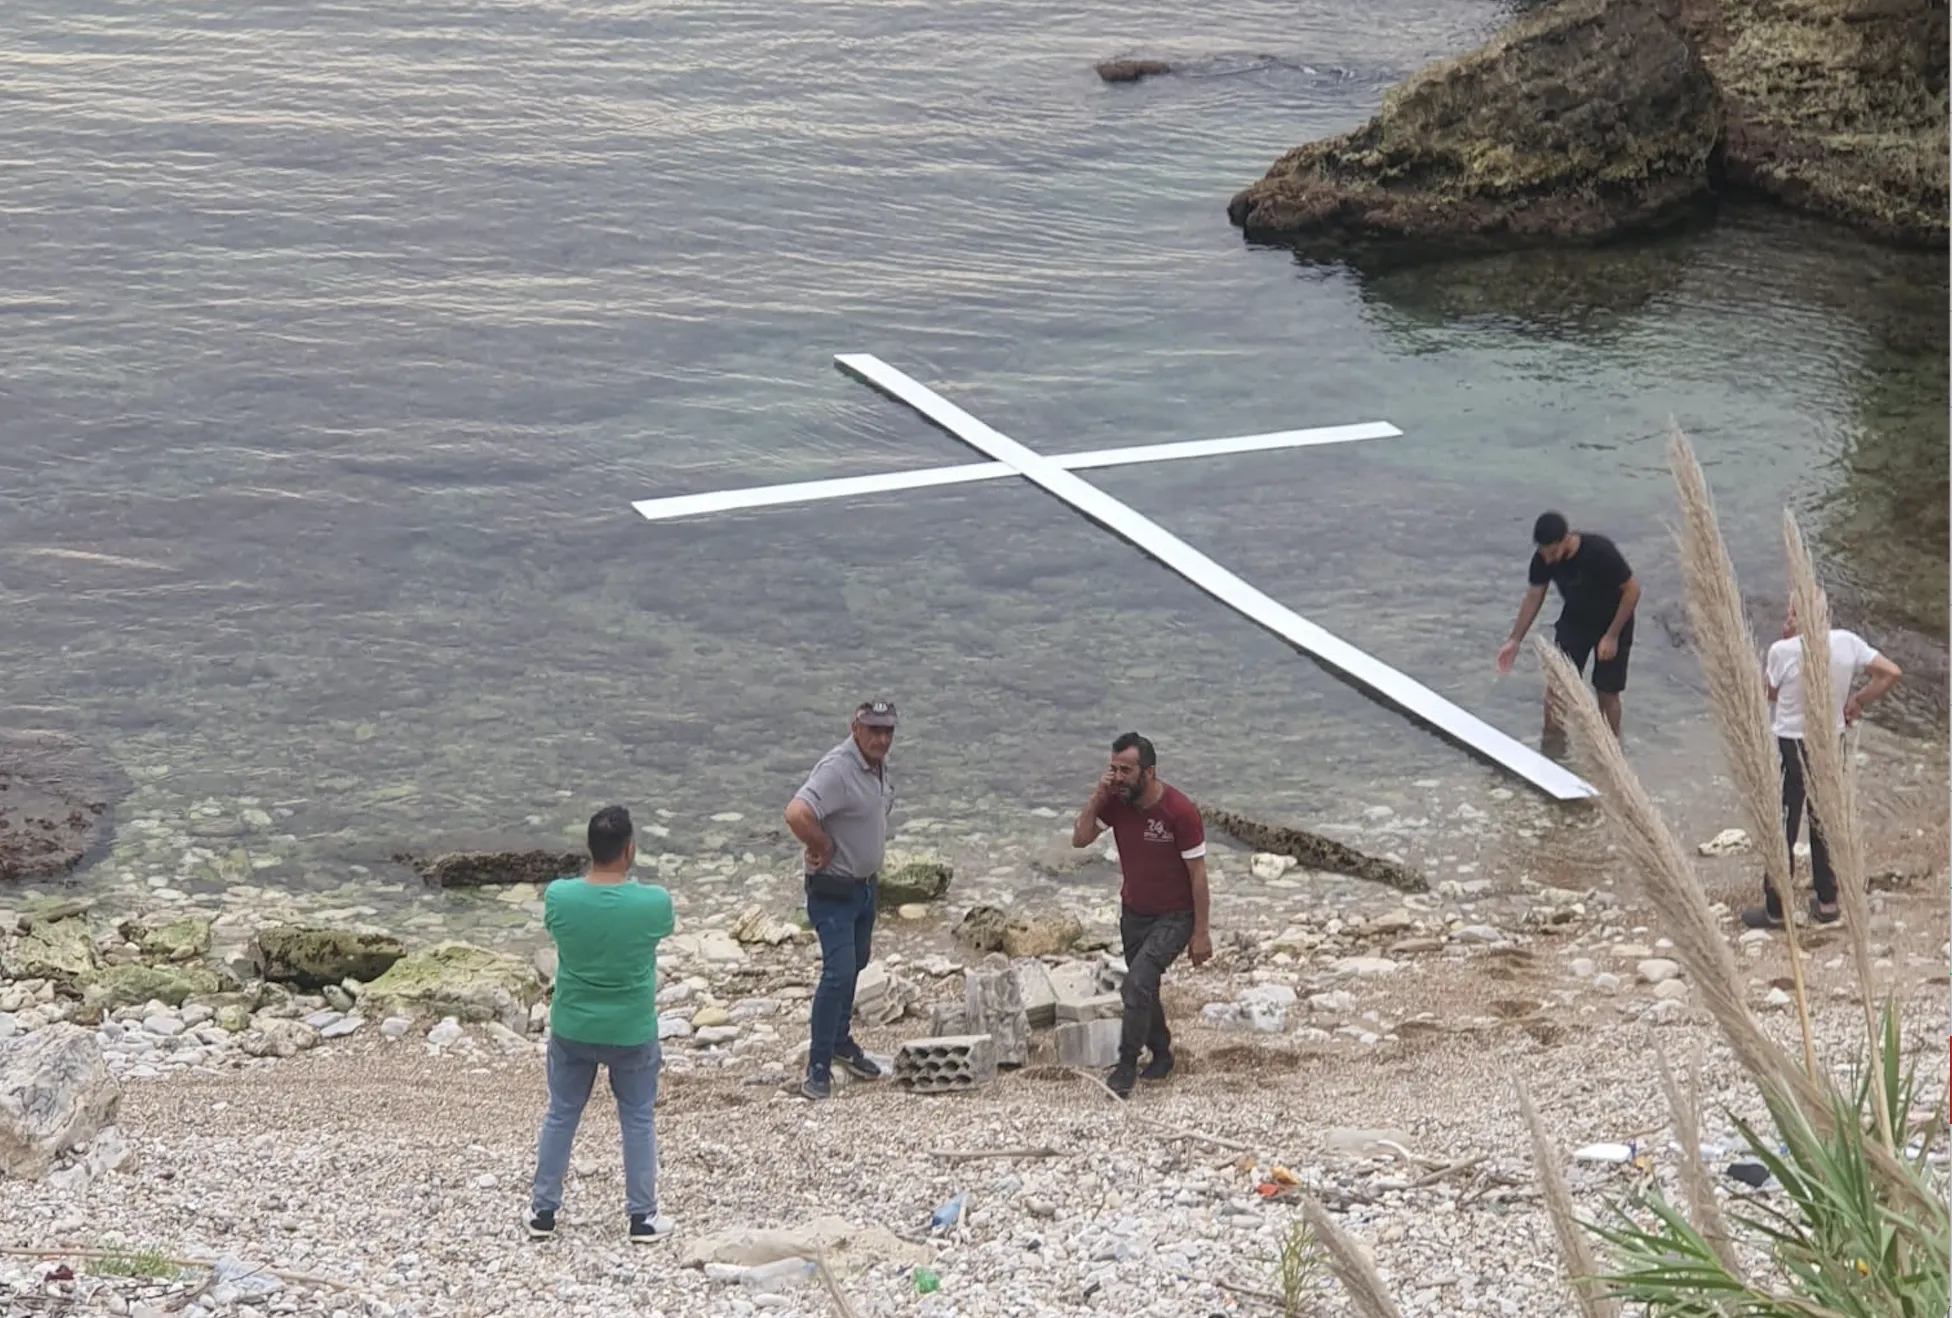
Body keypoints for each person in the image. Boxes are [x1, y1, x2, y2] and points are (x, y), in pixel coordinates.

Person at [527, 805, 677, 1245]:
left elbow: (557, 929)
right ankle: (642, 1217)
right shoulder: (654, 902)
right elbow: (661, 931)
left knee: (561, 1114)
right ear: (629, 850)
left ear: (589, 848)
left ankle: (543, 1211)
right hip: (631, 1028)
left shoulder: (560, 896)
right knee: (636, 1118)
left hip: (574, 1025)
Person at [1741, 603, 1902, 930]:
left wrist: (1787, 639)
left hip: (1792, 743)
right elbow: (1891, 673)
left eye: (1790, 613)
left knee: (1784, 820)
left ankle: (1775, 909)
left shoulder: (1783, 650)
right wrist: (1857, 701)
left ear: (1799, 617)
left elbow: (1771, 692)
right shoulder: (1847, 642)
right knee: (1824, 818)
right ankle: (1827, 903)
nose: (1786, 620)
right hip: (1831, 741)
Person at [1070, 732, 1212, 1100]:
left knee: (1135, 985)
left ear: (1148, 772)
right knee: (1143, 987)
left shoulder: (1179, 811)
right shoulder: (1115, 802)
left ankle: (1126, 1066)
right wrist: (1097, 797)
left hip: (1175, 915)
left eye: (1125, 770)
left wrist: (1201, 933)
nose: (1117, 777)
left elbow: (1198, 874)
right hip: (1134, 911)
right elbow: (1080, 839)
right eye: (1112, 769)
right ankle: (1162, 1054)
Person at [784, 699, 899, 1101]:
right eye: (874, 730)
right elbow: (797, 812)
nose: (881, 738)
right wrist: (822, 844)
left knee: (857, 964)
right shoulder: (838, 768)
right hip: (833, 889)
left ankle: (840, 1042)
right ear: (855, 729)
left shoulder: (877, 766)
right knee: (838, 973)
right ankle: (817, 1068)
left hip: (865, 887)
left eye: (888, 731)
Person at [1496, 511, 1641, 743]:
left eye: (1553, 553)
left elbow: (1633, 590)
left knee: (1606, 691)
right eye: (1543, 554)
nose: (1549, 560)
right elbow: (1534, 597)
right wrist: (1515, 640)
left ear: (1566, 539)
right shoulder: (1543, 559)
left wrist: (1612, 635)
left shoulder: (1599, 551)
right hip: (1575, 621)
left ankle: (1611, 751)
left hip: (1612, 622)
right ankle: (1553, 750)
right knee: (1557, 686)